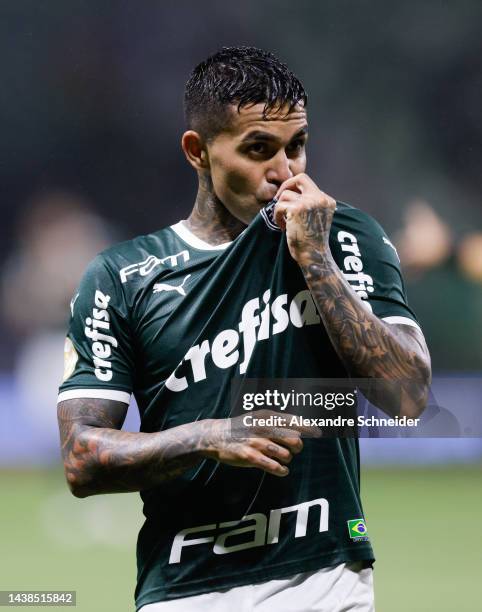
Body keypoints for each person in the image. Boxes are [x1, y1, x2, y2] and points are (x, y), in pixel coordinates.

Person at [57, 47, 431, 611]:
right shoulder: (122, 277)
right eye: (259, 149)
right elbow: (81, 458)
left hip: (327, 580)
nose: (286, 171)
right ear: (198, 152)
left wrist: (316, 259)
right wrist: (208, 436)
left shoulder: (345, 235)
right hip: (185, 589)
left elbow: (408, 394)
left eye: (297, 146)